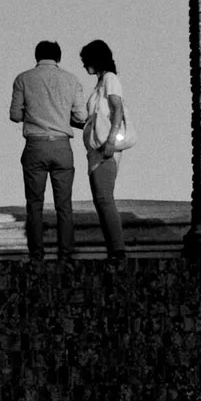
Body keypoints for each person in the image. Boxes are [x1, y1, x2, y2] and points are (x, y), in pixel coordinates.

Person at [9, 40, 88, 262]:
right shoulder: (72, 80)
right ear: (58, 58)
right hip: (62, 146)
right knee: (64, 204)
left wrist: (35, 114)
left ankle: (37, 254)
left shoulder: (23, 79)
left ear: (36, 56)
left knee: (34, 204)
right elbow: (82, 117)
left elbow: (15, 115)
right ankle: (65, 254)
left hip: (35, 145)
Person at [77, 39, 128, 263]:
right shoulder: (100, 84)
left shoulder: (110, 79)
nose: (83, 65)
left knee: (105, 198)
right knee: (100, 199)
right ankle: (113, 250)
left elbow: (117, 108)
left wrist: (111, 139)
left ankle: (118, 250)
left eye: (86, 60)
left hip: (105, 147)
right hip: (96, 148)